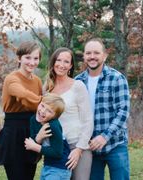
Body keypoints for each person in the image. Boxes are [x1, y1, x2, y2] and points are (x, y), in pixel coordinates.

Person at [75, 38, 131, 180]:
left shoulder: (117, 78)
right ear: (84, 56)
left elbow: (123, 112)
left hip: (115, 144)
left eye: (96, 53)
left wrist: (105, 136)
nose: (92, 56)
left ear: (104, 55)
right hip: (90, 148)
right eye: (88, 53)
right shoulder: (77, 81)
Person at [0, 41, 43, 180]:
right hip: (13, 133)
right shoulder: (11, 79)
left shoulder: (37, 81)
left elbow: (37, 109)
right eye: (28, 57)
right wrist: (43, 101)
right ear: (19, 58)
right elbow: (23, 95)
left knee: (29, 176)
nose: (32, 62)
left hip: (31, 131)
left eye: (36, 58)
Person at [44, 47, 94, 180]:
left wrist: (79, 149)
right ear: (53, 62)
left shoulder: (78, 86)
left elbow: (88, 120)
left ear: (71, 66)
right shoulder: (47, 88)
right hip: (56, 147)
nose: (61, 64)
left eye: (66, 61)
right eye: (58, 60)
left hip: (77, 145)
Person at [24, 93, 71, 180]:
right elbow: (34, 139)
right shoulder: (33, 120)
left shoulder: (53, 125)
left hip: (60, 168)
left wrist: (35, 146)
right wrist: (37, 138)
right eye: (42, 106)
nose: (42, 111)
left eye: (49, 111)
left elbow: (58, 152)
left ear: (55, 116)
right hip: (48, 165)